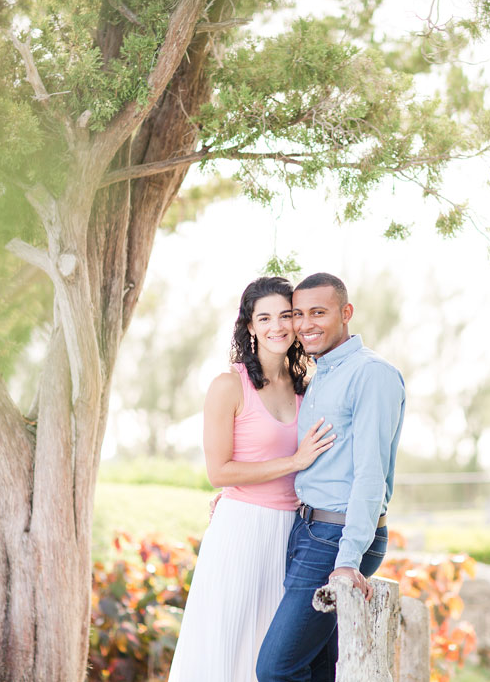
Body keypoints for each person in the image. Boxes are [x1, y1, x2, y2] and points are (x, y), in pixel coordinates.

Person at [168, 276, 336, 682]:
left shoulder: (306, 389)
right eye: (265, 318)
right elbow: (218, 472)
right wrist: (293, 460)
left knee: (271, 652)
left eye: (286, 315)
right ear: (249, 326)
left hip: (292, 535)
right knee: (229, 645)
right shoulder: (229, 385)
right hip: (241, 531)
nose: (277, 326)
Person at [256, 272, 406, 682]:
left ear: (346, 313)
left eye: (318, 312)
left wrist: (348, 560)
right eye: (299, 314)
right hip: (310, 529)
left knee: (276, 669)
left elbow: (370, 473)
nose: (305, 324)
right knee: (315, 668)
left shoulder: (371, 374)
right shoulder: (323, 372)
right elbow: (313, 462)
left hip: (337, 536)